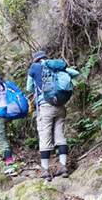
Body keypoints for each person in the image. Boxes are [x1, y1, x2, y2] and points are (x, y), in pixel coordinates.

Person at [26, 50, 79, 179]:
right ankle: (63, 167)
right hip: (60, 106)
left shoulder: (35, 68)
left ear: (35, 60)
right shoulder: (56, 67)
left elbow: (29, 88)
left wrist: (39, 86)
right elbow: (75, 73)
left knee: (45, 136)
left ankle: (45, 170)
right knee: (60, 135)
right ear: (47, 58)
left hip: (45, 107)